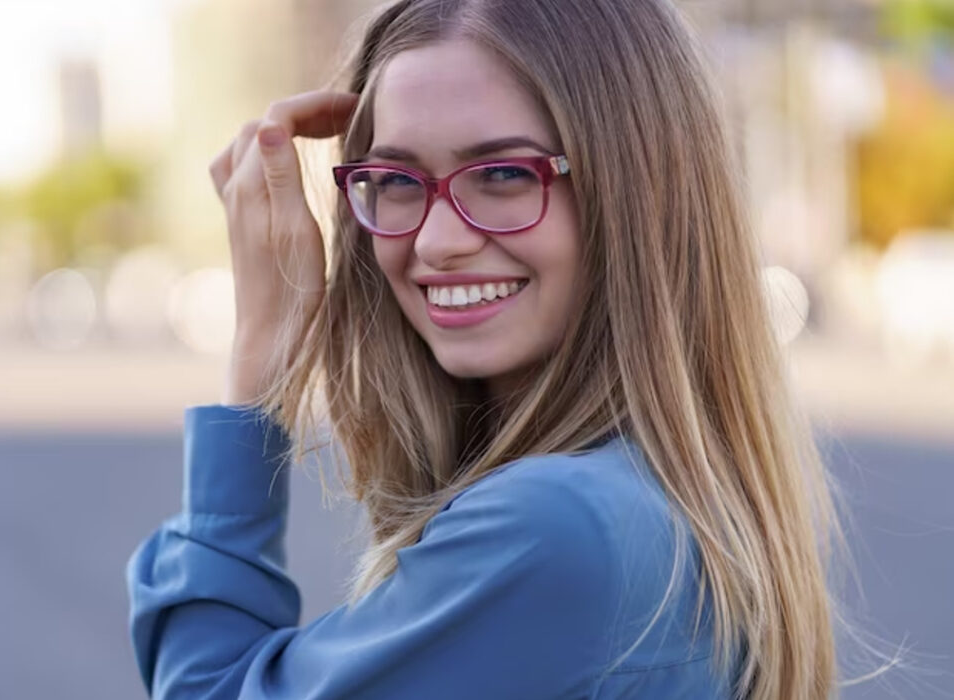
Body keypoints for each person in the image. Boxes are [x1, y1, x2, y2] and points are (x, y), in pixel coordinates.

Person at [126, 0, 846, 697]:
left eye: (503, 175)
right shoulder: (662, 498)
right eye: (397, 180)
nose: (437, 242)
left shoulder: (558, 528)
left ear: (635, 193)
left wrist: (260, 362)